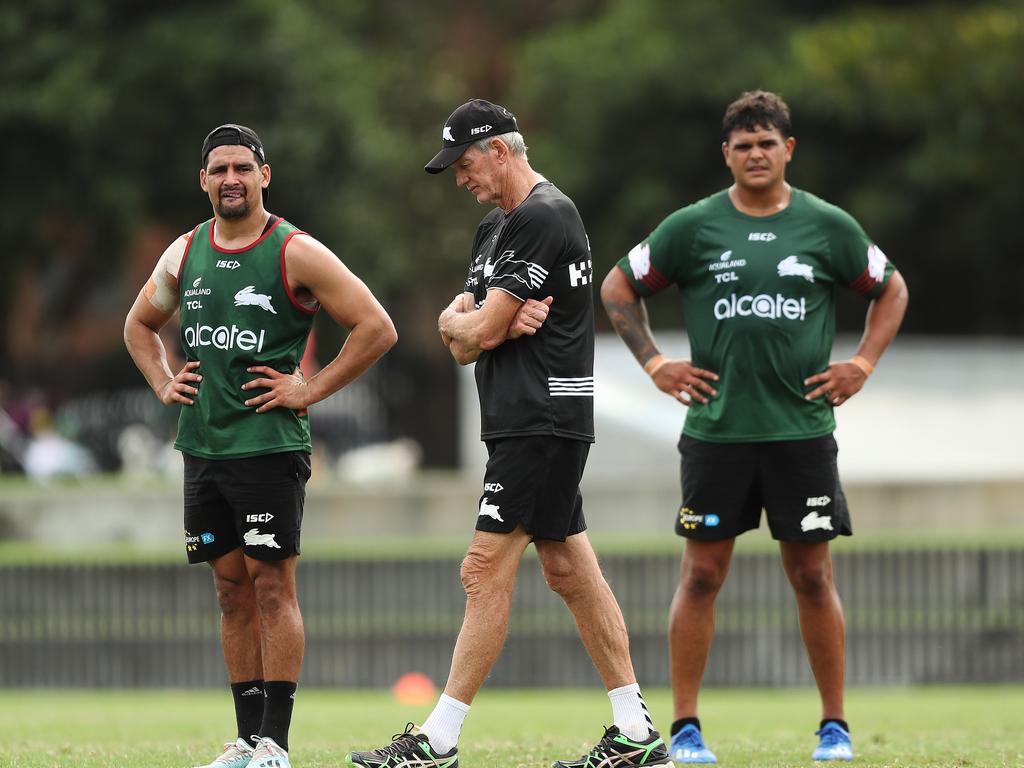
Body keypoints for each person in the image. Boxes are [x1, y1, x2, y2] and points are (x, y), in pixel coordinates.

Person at [345, 99, 671, 768]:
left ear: (500, 149)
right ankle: (635, 731)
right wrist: (463, 320)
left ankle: (438, 740)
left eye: (464, 164)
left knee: (482, 567)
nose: (460, 179)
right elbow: (464, 343)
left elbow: (483, 331)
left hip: (540, 419)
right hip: (521, 420)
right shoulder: (493, 232)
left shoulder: (546, 216)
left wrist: (478, 322)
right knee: (568, 567)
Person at [601, 90, 909, 763]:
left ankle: (835, 727)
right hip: (717, 433)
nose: (756, 154)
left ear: (788, 149)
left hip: (801, 431)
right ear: (727, 155)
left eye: (767, 142)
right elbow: (619, 286)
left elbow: (891, 287)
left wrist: (862, 361)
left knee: (813, 577)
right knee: (703, 574)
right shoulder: (693, 227)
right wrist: (654, 362)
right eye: (743, 145)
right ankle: (685, 729)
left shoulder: (828, 226)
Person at [124, 123, 397, 768]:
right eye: (219, 170)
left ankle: (276, 742)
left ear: (263, 176)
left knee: (272, 587)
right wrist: (164, 382)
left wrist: (309, 388)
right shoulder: (183, 252)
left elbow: (375, 327)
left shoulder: (293, 251)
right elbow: (140, 326)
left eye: (242, 168)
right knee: (229, 590)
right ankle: (246, 741)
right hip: (203, 449)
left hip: (268, 447)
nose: (230, 180)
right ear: (204, 181)